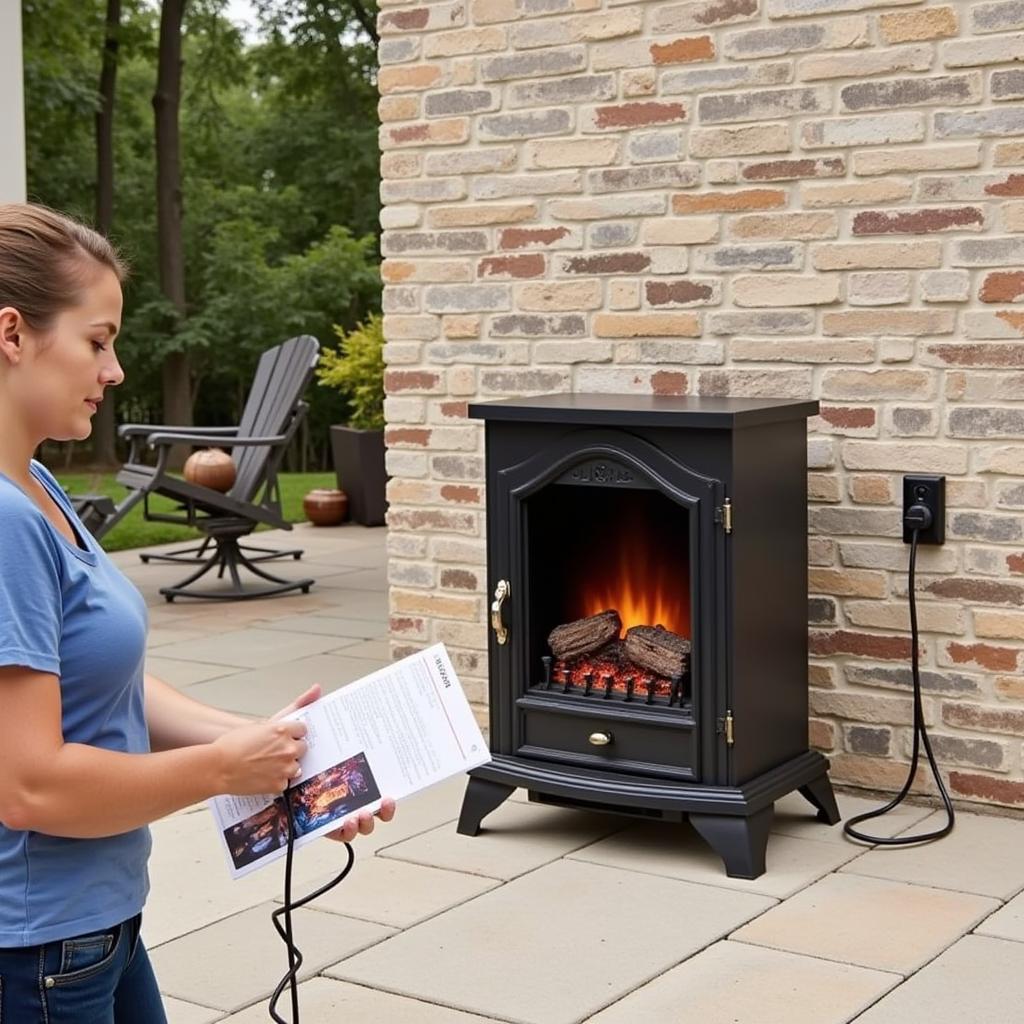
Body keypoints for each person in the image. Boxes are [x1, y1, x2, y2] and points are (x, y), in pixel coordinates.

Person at [0, 203, 396, 1022]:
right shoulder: (4, 522)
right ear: (12, 334)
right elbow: (30, 787)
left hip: (93, 923)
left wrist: (273, 749)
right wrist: (225, 773)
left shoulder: (40, 492)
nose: (113, 370)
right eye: (98, 340)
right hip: (37, 947)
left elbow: (104, 687)